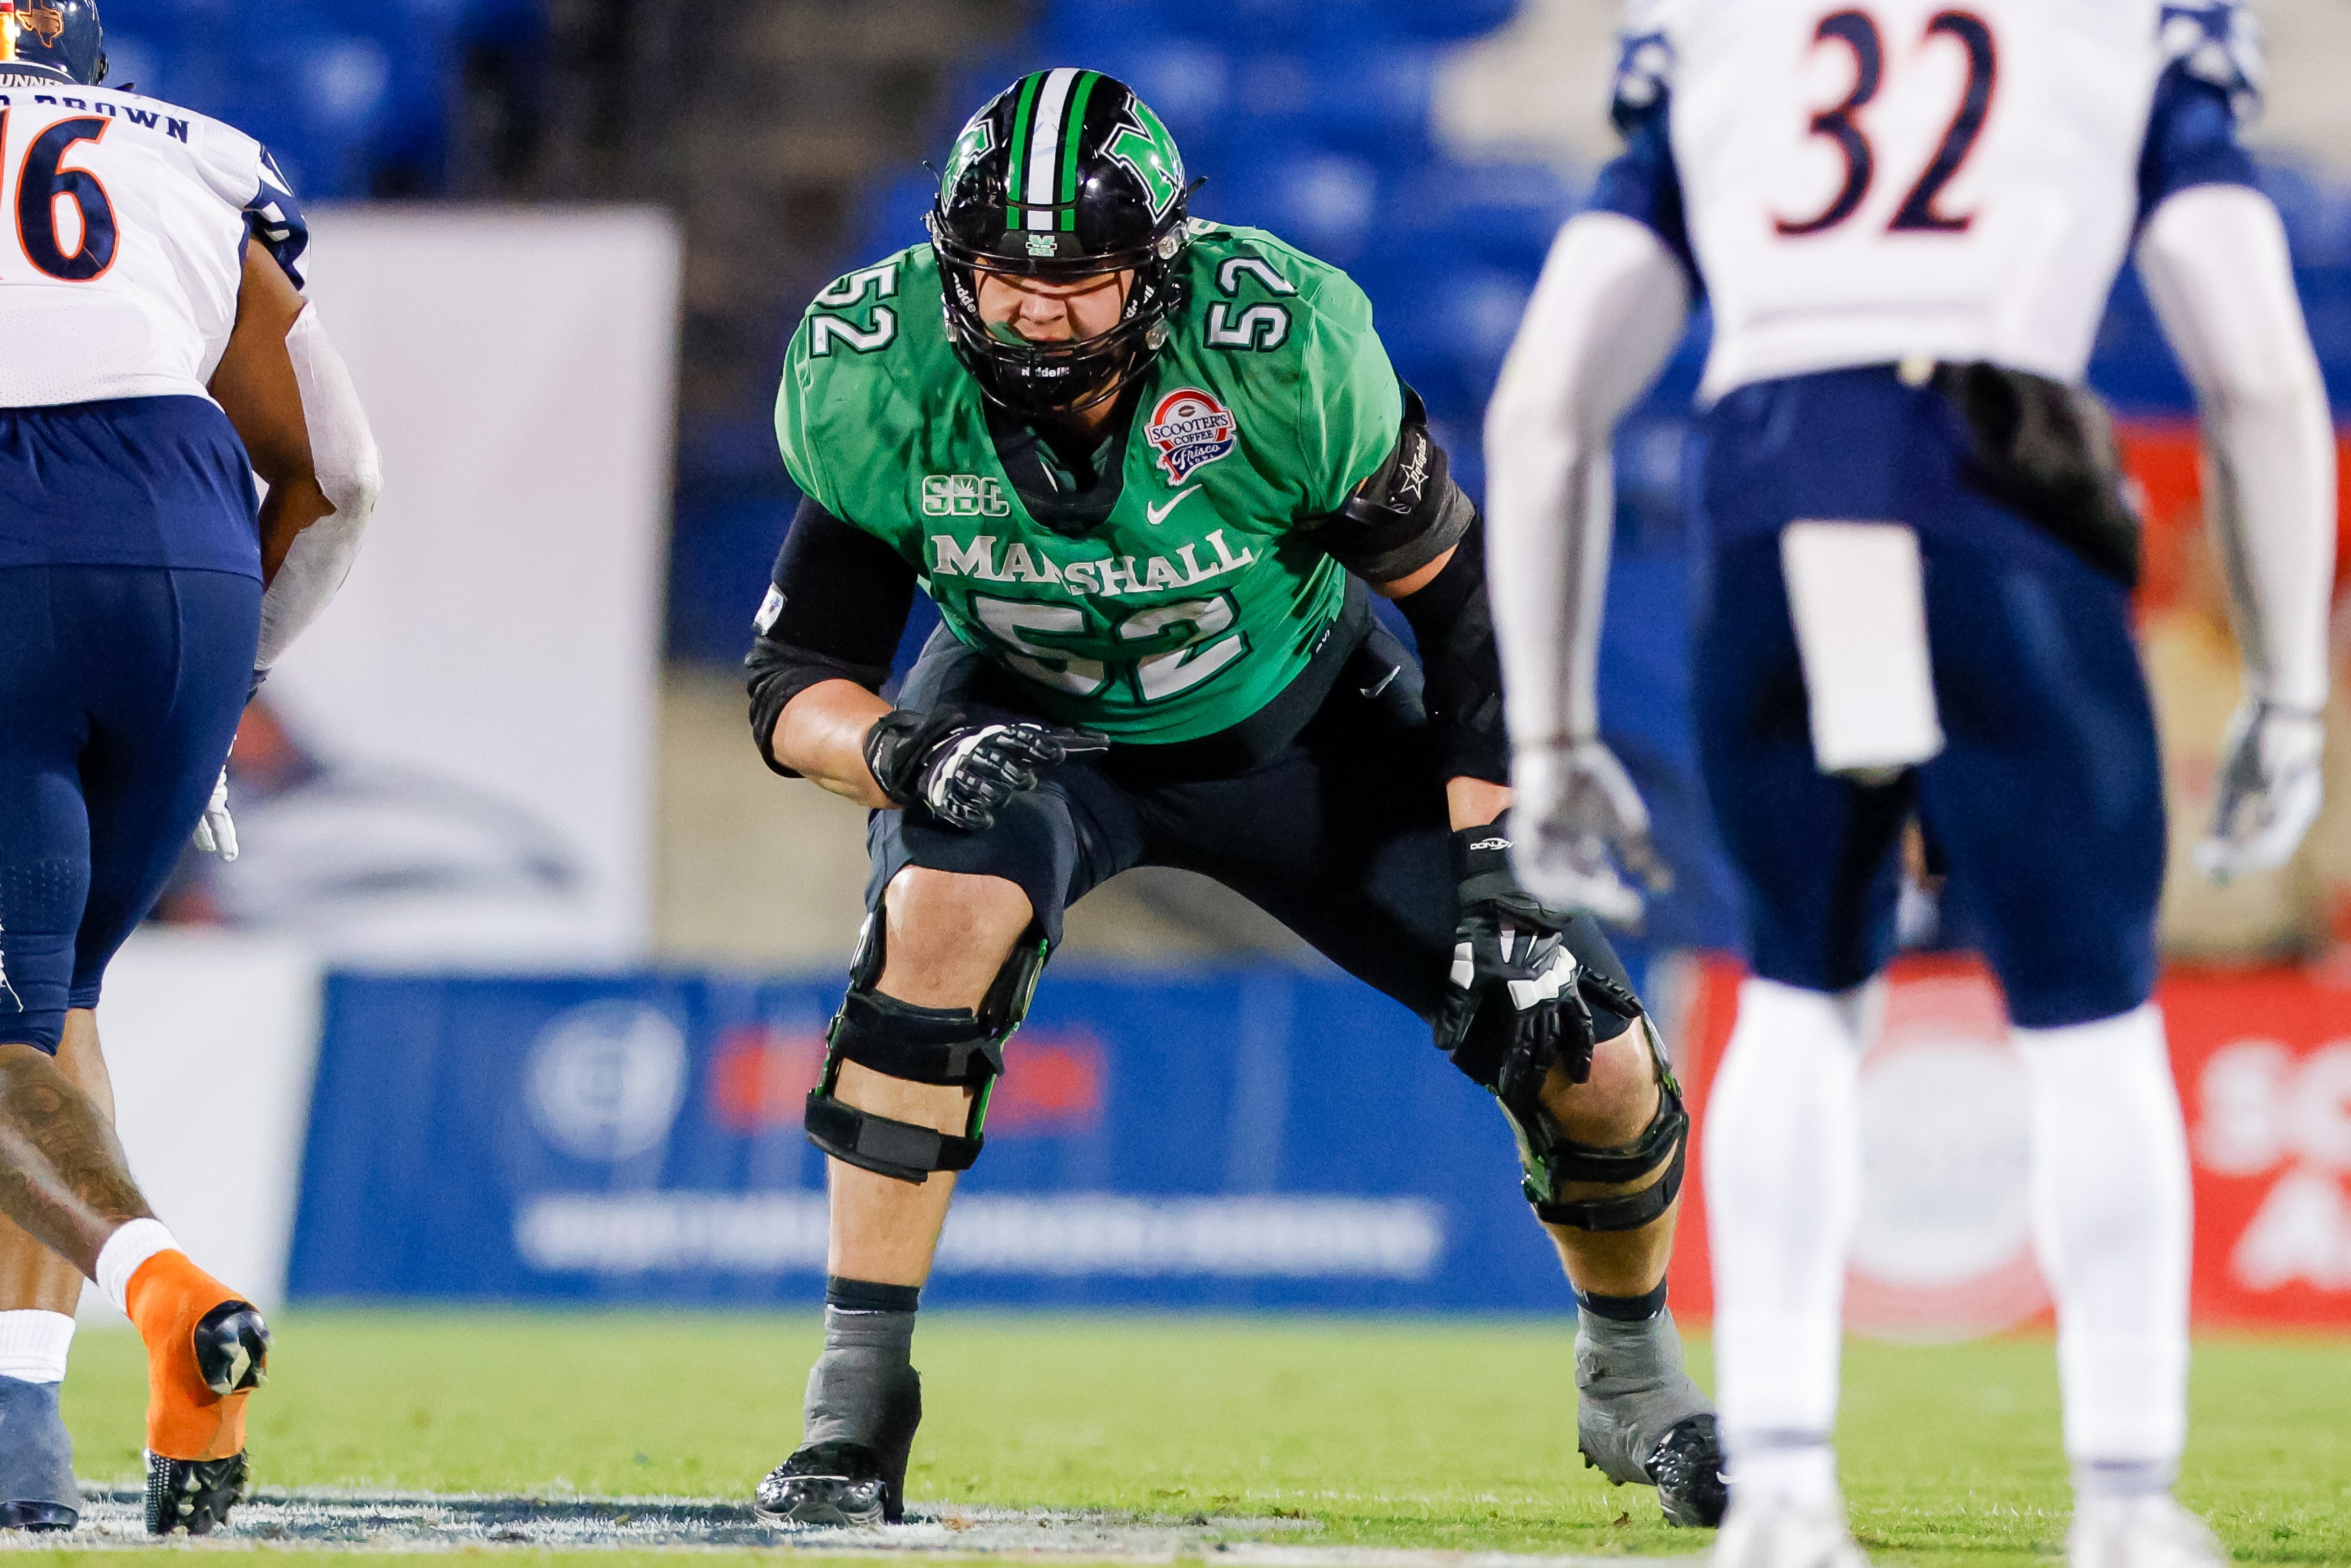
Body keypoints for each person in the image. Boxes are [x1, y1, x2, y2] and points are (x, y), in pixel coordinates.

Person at [744, 70, 1726, 1532]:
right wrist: (901, 756)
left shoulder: (1278, 348)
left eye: (1078, 279)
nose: (1036, 311)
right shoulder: (877, 365)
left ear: (1159, 268)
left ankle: (1631, 1376)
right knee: (932, 919)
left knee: (1590, 1052)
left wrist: (1504, 878)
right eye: (1007, 274)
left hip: (1303, 722)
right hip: (1027, 725)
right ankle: (854, 1402)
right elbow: (796, 678)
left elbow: (1468, 615)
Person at [1483, 1, 2334, 1565]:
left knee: (1801, 995)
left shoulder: (1716, 31)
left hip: (1765, 479)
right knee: (2091, 1020)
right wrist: (2291, 684)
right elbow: (2263, 373)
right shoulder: (2129, 25)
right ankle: (2129, 1499)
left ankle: (1787, 1488)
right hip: (2000, 476)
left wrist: (1546, 734)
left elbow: (1546, 401)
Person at [0, 0, 380, 1535]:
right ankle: (22, 1411)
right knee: (43, 1013)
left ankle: (162, 1292)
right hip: (189, 556)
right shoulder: (191, 147)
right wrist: (236, 686)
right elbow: (344, 478)